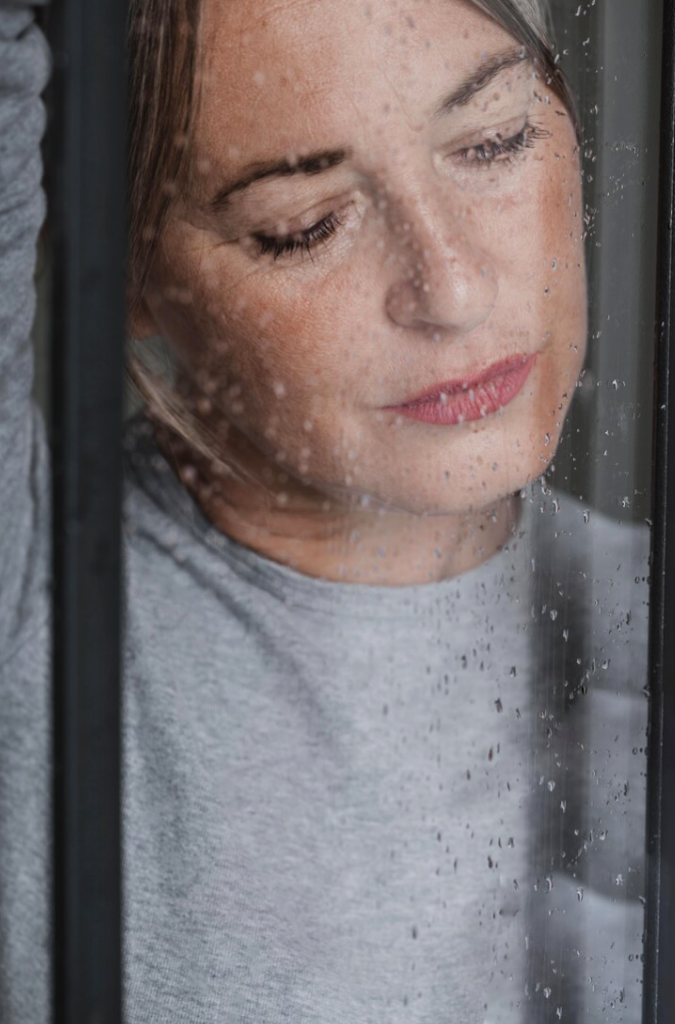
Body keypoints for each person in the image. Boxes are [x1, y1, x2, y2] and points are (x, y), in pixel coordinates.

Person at [0, 0, 649, 1021]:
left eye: (494, 140)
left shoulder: (636, 624)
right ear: (123, 263)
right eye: (304, 227)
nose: (454, 287)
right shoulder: (33, 608)